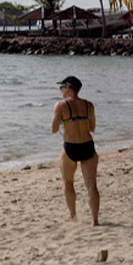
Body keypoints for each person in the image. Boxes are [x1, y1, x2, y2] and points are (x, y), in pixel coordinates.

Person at [51, 75, 100, 225]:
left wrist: (65, 122)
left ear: (69, 88)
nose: (61, 91)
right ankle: (95, 221)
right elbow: (92, 128)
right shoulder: (89, 105)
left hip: (70, 147)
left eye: (62, 87)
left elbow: (53, 129)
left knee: (68, 183)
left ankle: (73, 216)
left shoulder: (60, 105)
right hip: (87, 146)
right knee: (91, 185)